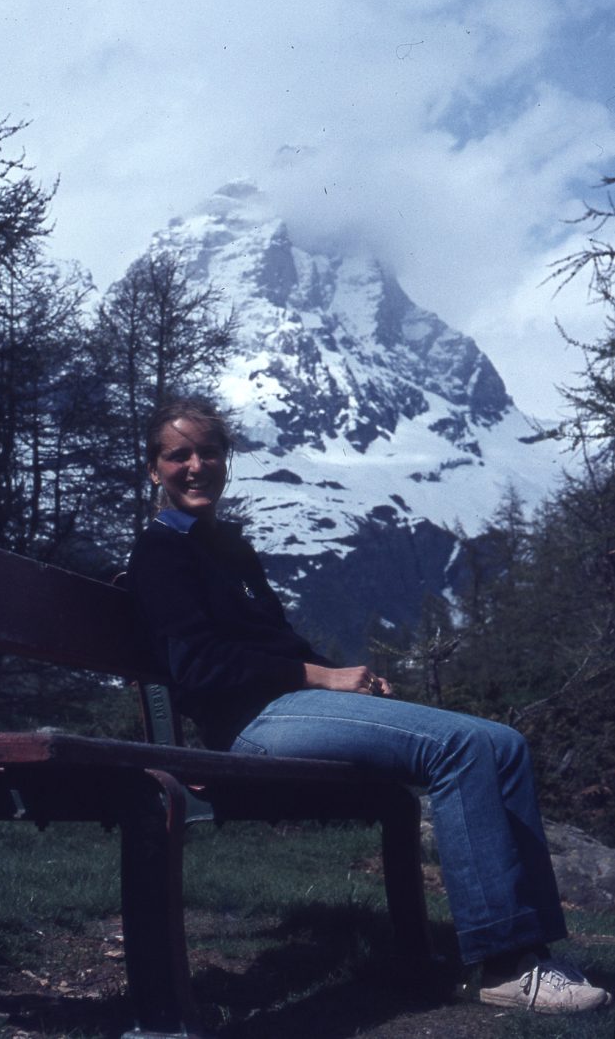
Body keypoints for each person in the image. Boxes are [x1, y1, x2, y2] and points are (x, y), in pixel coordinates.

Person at [127, 395, 612, 1015]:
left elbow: (278, 643)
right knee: (461, 748)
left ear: (228, 461)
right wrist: (319, 676)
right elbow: (198, 666)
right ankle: (500, 966)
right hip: (249, 725)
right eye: (178, 455)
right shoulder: (162, 553)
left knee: (504, 743)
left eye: (210, 451)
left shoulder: (228, 550)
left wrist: (344, 680)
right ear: (154, 470)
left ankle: (531, 953)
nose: (196, 465)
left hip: (289, 708)